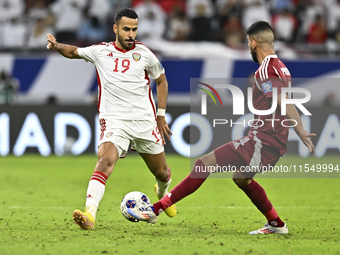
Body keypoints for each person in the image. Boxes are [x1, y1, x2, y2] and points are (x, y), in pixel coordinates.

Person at [127, 21, 316, 235]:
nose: (247, 46)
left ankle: (155, 209)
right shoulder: (281, 67)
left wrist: (299, 129)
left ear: (253, 43)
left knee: (203, 164)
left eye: (247, 42)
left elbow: (283, 100)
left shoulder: (265, 70)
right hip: (272, 139)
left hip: (262, 141)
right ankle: (276, 224)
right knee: (241, 178)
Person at [46, 7, 177, 230]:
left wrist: (161, 115)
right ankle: (90, 215)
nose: (131, 34)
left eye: (134, 29)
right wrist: (57, 45)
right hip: (115, 120)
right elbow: (73, 52)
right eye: (126, 29)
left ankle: (163, 195)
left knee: (162, 173)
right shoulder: (101, 51)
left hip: (144, 121)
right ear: (115, 28)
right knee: (105, 161)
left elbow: (162, 81)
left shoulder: (145, 53)